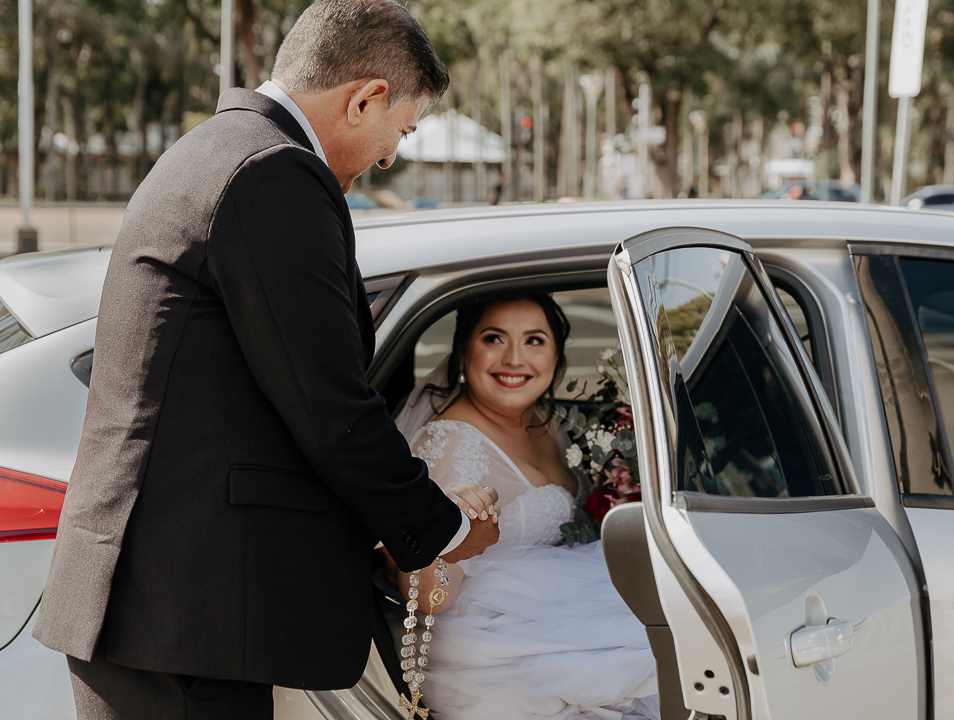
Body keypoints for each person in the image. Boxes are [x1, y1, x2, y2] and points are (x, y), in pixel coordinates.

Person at [32, 2, 500, 718]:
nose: (390, 157)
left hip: (165, 607)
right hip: (184, 614)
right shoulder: (274, 173)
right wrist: (440, 527)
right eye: (399, 130)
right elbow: (327, 404)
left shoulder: (221, 148)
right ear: (365, 97)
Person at [388, 295, 661, 720]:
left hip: (565, 594)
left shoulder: (547, 420)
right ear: (464, 351)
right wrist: (443, 533)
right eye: (494, 338)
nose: (514, 359)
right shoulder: (452, 447)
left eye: (533, 340)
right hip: (502, 633)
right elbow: (430, 598)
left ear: (556, 354)